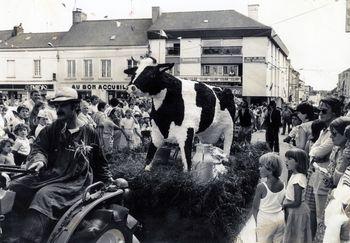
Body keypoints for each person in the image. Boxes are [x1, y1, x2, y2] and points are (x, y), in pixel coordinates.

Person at [6, 87, 113, 243]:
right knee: (14, 186)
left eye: (63, 105)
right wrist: (39, 160)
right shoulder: (52, 129)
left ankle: (30, 238)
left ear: (75, 106)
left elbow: (100, 161)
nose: (58, 109)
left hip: (74, 182)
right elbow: (39, 148)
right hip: (50, 175)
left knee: (44, 196)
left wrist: (108, 180)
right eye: (56, 106)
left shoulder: (90, 133)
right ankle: (10, 232)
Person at [252, 153, 285, 243]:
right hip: (280, 218)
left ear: (270, 170)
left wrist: (257, 224)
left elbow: (255, 208)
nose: (259, 168)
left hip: (266, 220)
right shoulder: (282, 184)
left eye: (261, 166)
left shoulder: (261, 187)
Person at [283, 148, 312, 243]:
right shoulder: (294, 175)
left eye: (290, 159)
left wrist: (284, 205)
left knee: (297, 236)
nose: (286, 161)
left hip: (297, 211)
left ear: (298, 162)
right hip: (293, 209)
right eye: (286, 158)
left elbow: (297, 202)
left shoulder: (298, 179)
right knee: (293, 234)